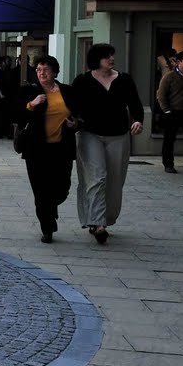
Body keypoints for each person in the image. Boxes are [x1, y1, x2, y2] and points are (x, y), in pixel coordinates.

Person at [70, 43, 146, 245]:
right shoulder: (83, 81)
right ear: (96, 59)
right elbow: (73, 107)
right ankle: (97, 223)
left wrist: (138, 120)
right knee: (96, 177)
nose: (111, 59)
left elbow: (135, 104)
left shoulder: (124, 80)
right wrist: (73, 121)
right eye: (106, 56)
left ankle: (106, 219)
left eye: (112, 55)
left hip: (118, 135)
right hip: (89, 134)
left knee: (114, 180)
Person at [18, 54, 80, 243]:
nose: (41, 73)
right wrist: (31, 105)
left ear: (54, 72)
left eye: (45, 69)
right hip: (36, 150)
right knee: (40, 190)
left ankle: (50, 207)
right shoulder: (29, 91)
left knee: (62, 188)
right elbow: (15, 115)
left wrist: (74, 124)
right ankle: (47, 227)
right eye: (38, 70)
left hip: (62, 148)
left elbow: (78, 116)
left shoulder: (67, 91)